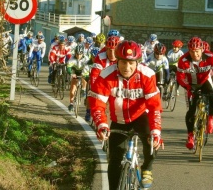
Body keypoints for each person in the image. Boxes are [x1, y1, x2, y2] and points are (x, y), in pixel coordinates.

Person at [88, 40, 164, 189]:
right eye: (123, 62)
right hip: (119, 120)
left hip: (141, 116)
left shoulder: (147, 75)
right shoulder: (106, 75)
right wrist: (102, 124)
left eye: (131, 63)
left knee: (152, 142)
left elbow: (154, 106)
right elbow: (97, 104)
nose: (127, 67)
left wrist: (156, 131)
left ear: (138, 62)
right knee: (114, 160)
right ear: (117, 60)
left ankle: (147, 168)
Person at [177, 37, 213, 149]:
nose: (195, 54)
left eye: (197, 51)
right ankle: (190, 136)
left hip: (205, 81)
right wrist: (187, 87)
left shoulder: (210, 57)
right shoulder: (183, 60)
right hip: (191, 84)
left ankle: (210, 117)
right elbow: (180, 78)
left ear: (202, 49)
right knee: (191, 110)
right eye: (192, 52)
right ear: (188, 51)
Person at [67, 44, 89, 112]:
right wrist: (71, 73)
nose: (78, 55)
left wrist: (84, 75)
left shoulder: (86, 58)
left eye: (80, 54)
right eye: (77, 54)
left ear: (82, 53)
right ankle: (71, 104)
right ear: (75, 53)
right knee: (73, 87)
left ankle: (83, 89)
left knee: (84, 79)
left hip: (84, 71)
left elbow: (88, 67)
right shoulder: (72, 58)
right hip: (75, 72)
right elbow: (68, 67)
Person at [82, 47, 100, 122]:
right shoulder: (88, 64)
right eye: (93, 57)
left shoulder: (102, 63)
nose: (95, 58)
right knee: (90, 94)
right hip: (90, 80)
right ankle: (88, 111)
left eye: (96, 57)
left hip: (100, 82)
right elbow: (84, 73)